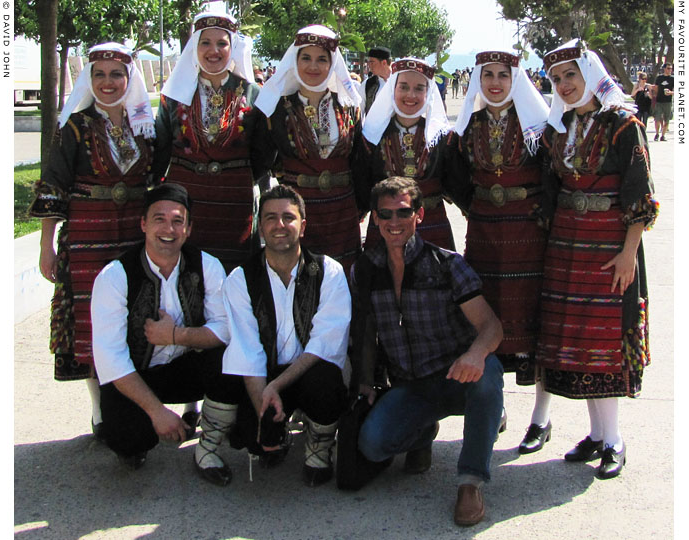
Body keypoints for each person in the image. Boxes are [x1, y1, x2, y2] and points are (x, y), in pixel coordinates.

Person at [529, 41, 658, 479]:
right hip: (567, 246)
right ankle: (598, 436)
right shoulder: (558, 129)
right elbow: (549, 189)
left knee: (604, 343)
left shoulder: (624, 125)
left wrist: (628, 252)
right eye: (557, 79)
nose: (564, 86)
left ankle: (615, 440)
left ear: (590, 73)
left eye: (571, 75)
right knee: (583, 342)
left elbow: (640, 191)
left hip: (608, 247)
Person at [349, 177, 504, 527]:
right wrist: (365, 382)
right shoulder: (365, 270)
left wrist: (475, 354)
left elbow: (491, 326)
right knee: (372, 445)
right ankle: (422, 433)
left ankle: (471, 482)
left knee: (488, 375)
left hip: (455, 377)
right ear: (374, 218)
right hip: (410, 387)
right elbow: (367, 331)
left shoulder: (446, 265)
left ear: (419, 214)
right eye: (385, 214)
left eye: (403, 212)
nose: (393, 221)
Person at [29, 42, 156, 440]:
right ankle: (101, 410)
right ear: (88, 79)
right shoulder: (75, 126)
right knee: (89, 317)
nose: (107, 82)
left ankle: (133, 402)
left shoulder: (145, 126)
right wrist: (46, 244)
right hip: (87, 231)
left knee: (131, 312)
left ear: (129, 78)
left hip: (133, 233)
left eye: (116, 74)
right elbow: (53, 184)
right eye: (98, 74)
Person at [91, 183, 243, 486]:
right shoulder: (114, 276)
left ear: (188, 229)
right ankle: (139, 433)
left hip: (185, 367)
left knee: (232, 360)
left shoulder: (207, 266)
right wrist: (157, 412)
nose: (168, 229)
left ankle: (208, 447)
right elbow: (111, 360)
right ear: (144, 224)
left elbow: (225, 329)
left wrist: (176, 335)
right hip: (135, 376)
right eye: (159, 219)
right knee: (127, 437)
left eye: (177, 221)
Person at [450, 50, 550, 452]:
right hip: (485, 233)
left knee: (533, 322)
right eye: (487, 74)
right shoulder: (469, 125)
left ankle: (541, 418)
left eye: (502, 75)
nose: (494, 82)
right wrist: (472, 206)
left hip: (528, 232)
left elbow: (553, 174)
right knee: (487, 319)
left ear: (515, 81)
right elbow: (457, 176)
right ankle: (497, 406)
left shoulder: (539, 126)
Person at [222, 185, 350, 486]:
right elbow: (247, 349)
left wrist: (277, 386)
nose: (279, 226)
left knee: (325, 381)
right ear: (260, 227)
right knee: (251, 437)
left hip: (308, 371)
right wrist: (264, 409)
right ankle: (277, 431)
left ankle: (319, 445)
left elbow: (324, 345)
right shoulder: (240, 278)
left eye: (288, 217)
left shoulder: (329, 271)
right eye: (270, 218)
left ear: (302, 226)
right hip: (264, 376)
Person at [153, 11, 263, 272]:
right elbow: (161, 148)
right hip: (187, 199)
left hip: (234, 202)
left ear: (232, 48)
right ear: (195, 47)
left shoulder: (252, 93)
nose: (214, 51)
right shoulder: (175, 94)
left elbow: (262, 152)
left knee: (235, 275)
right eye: (205, 43)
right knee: (188, 272)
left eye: (222, 43)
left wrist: (236, 174)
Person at [252, 25, 363, 275]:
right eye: (306, 58)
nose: (313, 66)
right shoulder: (276, 109)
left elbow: (359, 160)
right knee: (299, 277)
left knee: (343, 278)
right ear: (295, 61)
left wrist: (361, 206)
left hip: (342, 209)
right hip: (296, 209)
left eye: (322, 59)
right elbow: (262, 159)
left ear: (332, 63)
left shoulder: (349, 106)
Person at [353, 57, 455, 251]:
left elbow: (455, 182)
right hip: (386, 225)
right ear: (393, 89)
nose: (411, 95)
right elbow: (362, 182)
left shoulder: (442, 137)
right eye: (404, 87)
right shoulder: (372, 135)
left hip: (432, 224)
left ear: (428, 93)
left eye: (419, 88)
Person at [360, 46, 392, 114]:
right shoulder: (367, 84)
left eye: (372, 62)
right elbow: (359, 110)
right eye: (368, 62)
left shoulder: (399, 81)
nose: (369, 66)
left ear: (384, 63)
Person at [651, 63, 673, 141]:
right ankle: (657, 133)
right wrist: (654, 97)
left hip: (668, 102)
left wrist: (670, 93)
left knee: (666, 120)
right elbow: (656, 88)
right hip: (659, 101)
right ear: (664, 69)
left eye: (671, 68)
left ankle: (663, 136)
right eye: (668, 68)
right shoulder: (659, 78)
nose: (670, 70)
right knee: (657, 118)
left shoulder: (672, 79)